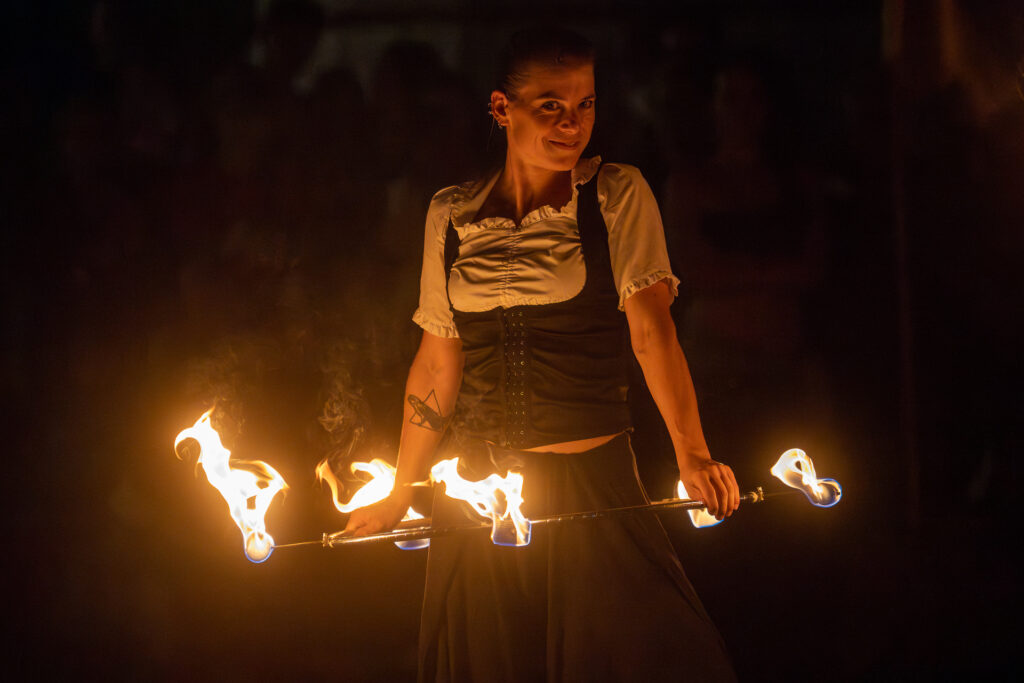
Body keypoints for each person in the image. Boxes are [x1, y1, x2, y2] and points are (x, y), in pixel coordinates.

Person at [346, 28, 739, 682]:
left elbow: (652, 334)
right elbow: (438, 363)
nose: (572, 124)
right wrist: (402, 491)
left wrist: (692, 452)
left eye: (585, 104)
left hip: (587, 491)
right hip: (475, 499)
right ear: (502, 108)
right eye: (551, 105)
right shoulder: (450, 213)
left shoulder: (615, 194)